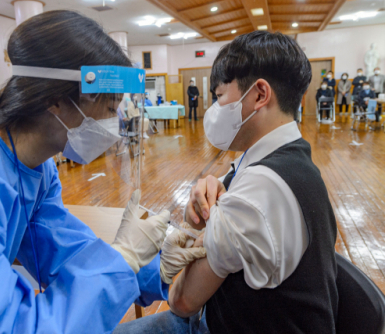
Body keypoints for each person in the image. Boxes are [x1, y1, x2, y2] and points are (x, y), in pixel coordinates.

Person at [0, 11, 206, 333]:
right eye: (110, 109)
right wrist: (122, 260)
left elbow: (61, 246)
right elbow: (5, 327)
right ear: (55, 101)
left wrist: (150, 267)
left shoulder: (35, 166)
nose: (115, 124)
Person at [116, 31, 338, 334]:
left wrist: (170, 269)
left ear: (260, 94)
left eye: (219, 97)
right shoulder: (282, 157)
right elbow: (198, 219)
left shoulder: (263, 187)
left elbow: (182, 301)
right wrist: (205, 197)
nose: (214, 110)